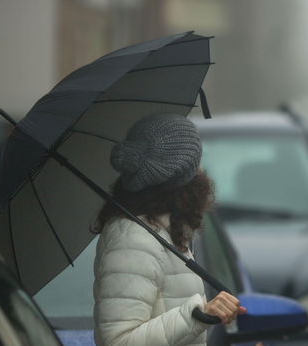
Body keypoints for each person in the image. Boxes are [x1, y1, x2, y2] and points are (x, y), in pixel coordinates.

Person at [92, 113, 245, 346]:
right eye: (196, 165)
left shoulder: (165, 231)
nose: (201, 172)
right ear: (183, 180)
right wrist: (198, 315)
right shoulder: (133, 239)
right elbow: (118, 341)